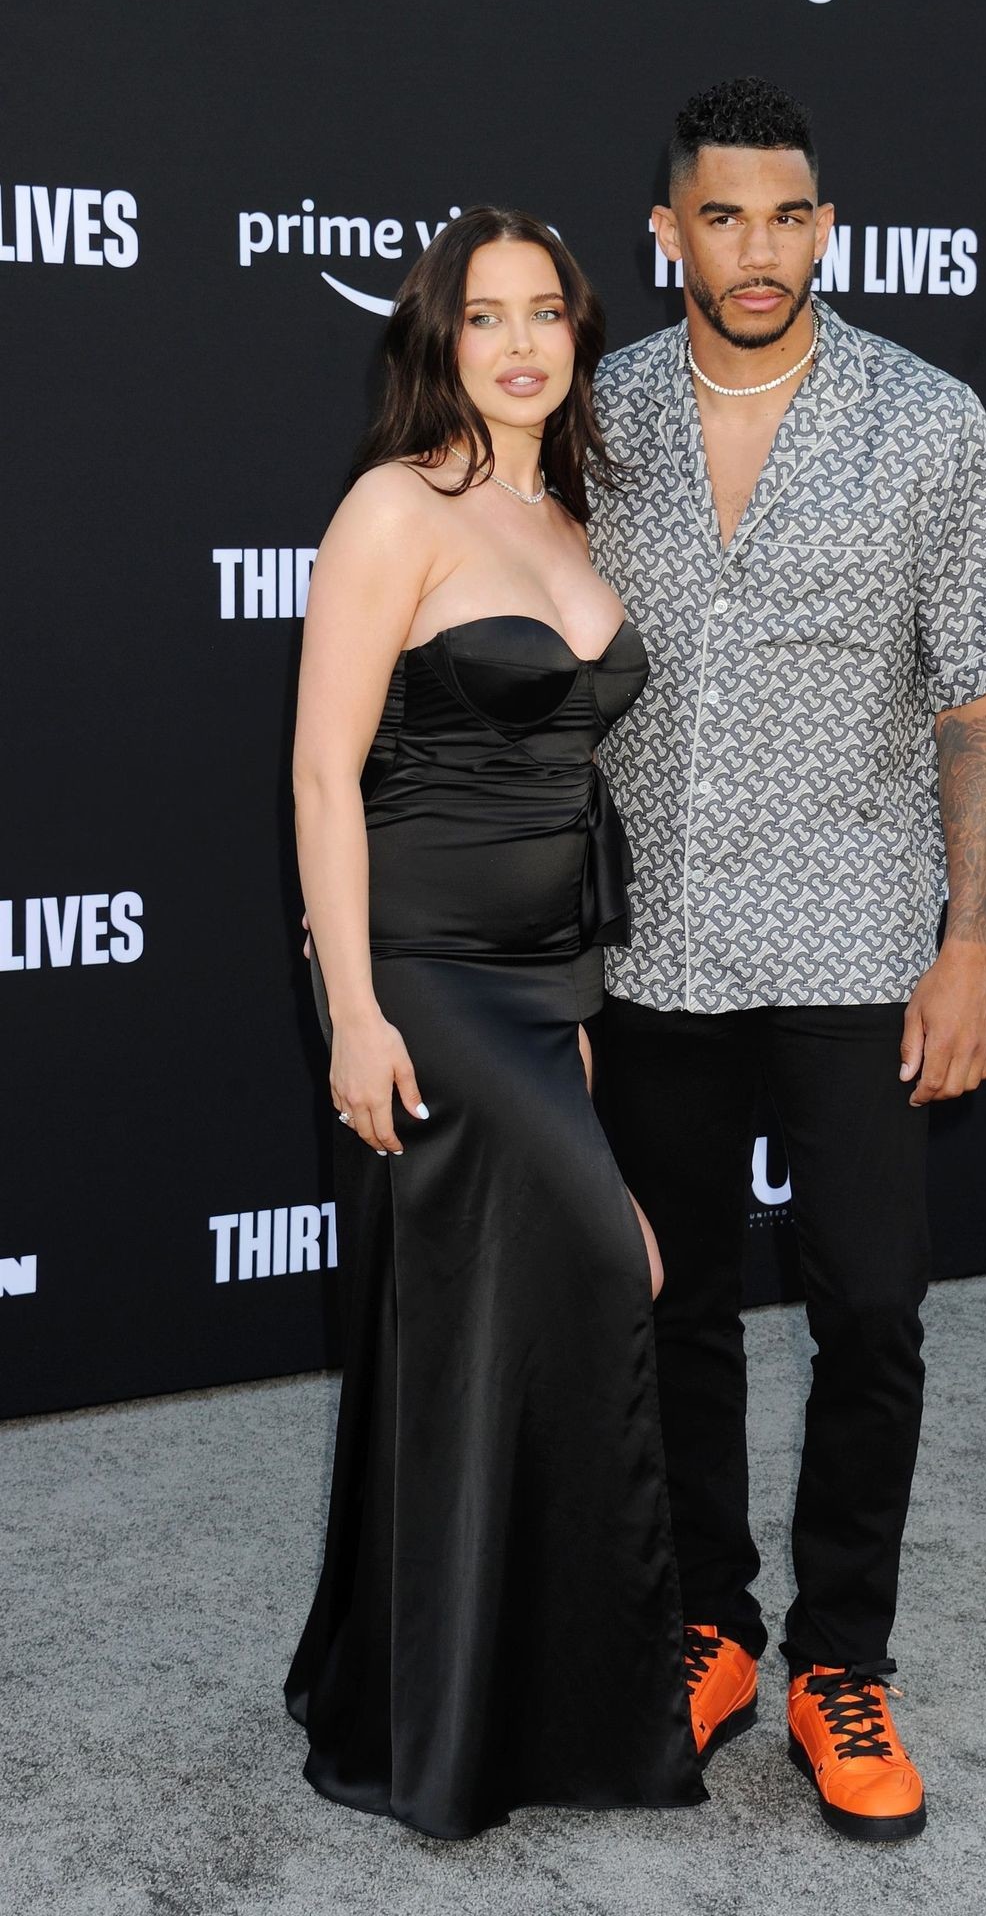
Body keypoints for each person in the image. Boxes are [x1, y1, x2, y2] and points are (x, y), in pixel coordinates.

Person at [588, 77, 986, 1843]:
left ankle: (842, 1659)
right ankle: (710, 1622)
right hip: (653, 946)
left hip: (858, 936)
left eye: (788, 216)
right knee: (673, 1308)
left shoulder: (927, 419)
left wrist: (974, 945)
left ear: (827, 229)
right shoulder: (599, 418)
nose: (759, 248)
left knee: (870, 1309)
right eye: (723, 216)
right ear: (670, 235)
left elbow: (981, 708)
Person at [285, 206, 706, 1840]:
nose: (520, 344)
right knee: (598, 1270)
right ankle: (461, 1716)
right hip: (425, 973)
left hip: (547, 983)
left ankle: (499, 1693)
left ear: (579, 335)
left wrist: (580, 1043)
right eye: (484, 316)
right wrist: (351, 1010)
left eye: (545, 313)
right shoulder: (396, 506)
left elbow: (569, 790)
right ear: (439, 340)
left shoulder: (567, 519)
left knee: (499, 1324)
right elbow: (326, 776)